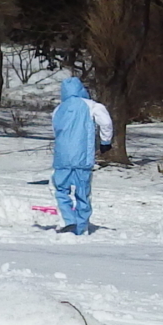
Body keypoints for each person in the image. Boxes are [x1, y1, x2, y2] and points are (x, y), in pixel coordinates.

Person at [51, 75, 113, 235]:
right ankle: (81, 226)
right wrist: (105, 142)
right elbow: (106, 122)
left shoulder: (58, 109)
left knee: (60, 189)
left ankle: (67, 217)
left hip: (62, 157)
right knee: (82, 192)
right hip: (83, 157)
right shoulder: (92, 106)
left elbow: (55, 131)